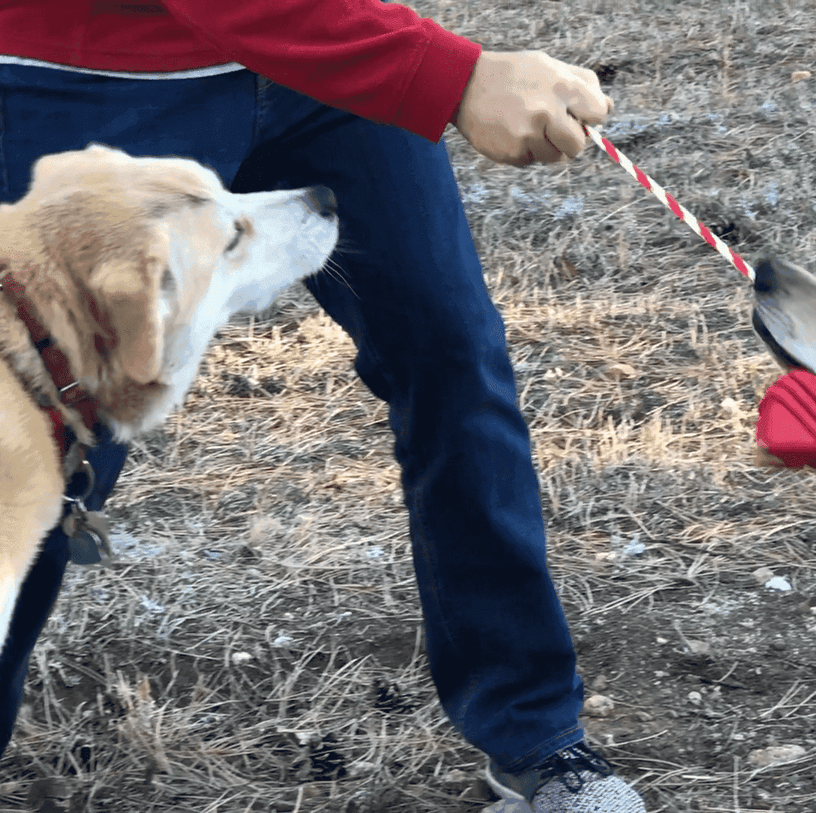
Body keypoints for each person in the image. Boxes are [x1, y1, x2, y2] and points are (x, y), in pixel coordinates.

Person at [0, 3, 643, 811]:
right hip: (96, 69)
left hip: (329, 58)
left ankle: (534, 735)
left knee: (452, 359)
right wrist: (452, 74)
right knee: (35, 438)